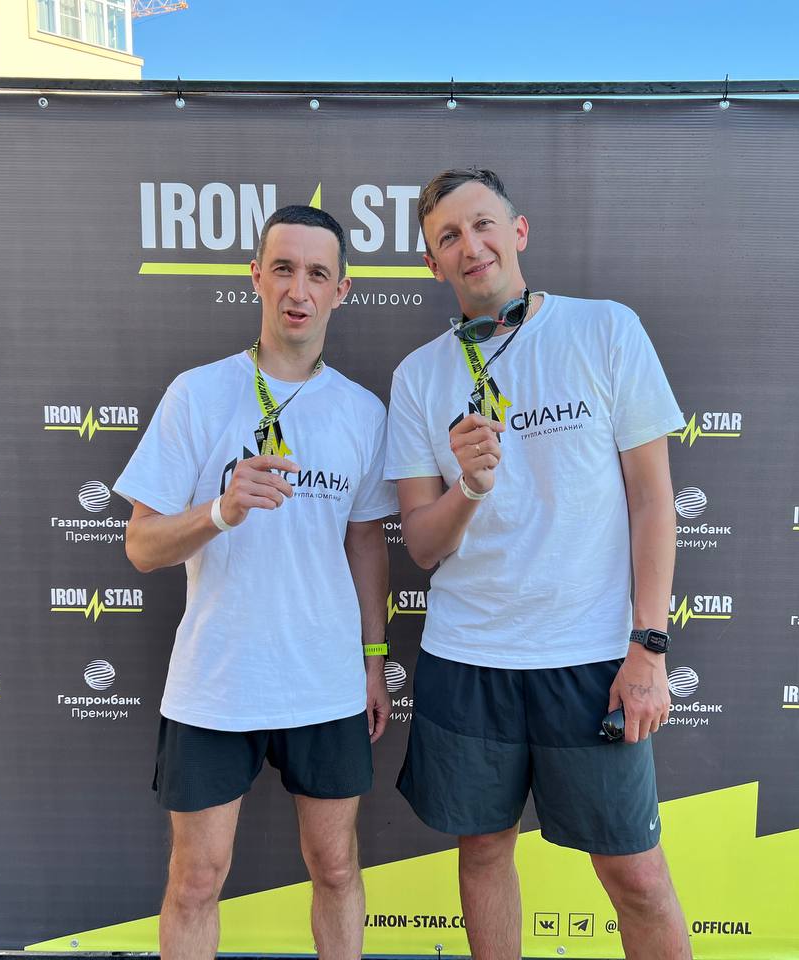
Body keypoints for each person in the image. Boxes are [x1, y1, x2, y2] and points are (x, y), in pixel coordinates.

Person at [384, 169, 692, 959]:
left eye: (482, 224)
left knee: (636, 876)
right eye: (448, 237)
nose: (470, 245)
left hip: (590, 660)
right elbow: (422, 545)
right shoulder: (418, 376)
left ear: (518, 231)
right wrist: (469, 487)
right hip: (468, 659)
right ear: (433, 264)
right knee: (484, 852)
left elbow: (654, 501)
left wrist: (649, 647)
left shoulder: (605, 329)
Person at [116, 205, 396, 960]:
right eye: (283, 268)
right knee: (195, 881)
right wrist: (221, 509)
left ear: (341, 290)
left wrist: (374, 661)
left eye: (317, 273)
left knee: (336, 868)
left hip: (325, 682)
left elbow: (366, 543)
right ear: (256, 277)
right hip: (217, 681)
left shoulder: (362, 412)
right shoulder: (197, 394)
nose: (298, 289)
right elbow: (141, 546)